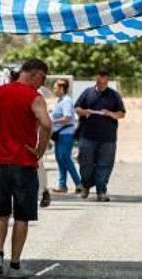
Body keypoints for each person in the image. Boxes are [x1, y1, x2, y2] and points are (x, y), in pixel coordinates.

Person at [0, 59, 52, 278]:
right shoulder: (34, 97)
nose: (41, 84)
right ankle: (15, 265)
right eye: (42, 79)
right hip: (24, 162)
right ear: (35, 74)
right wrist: (40, 150)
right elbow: (46, 124)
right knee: (22, 216)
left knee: (1, 212)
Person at [74, 71, 126, 202]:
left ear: (108, 81)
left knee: (105, 165)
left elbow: (121, 113)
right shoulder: (87, 93)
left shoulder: (114, 95)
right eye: (99, 82)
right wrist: (84, 112)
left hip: (108, 138)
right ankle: (86, 184)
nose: (102, 85)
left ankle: (101, 191)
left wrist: (110, 114)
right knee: (85, 164)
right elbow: (77, 108)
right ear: (95, 80)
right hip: (87, 136)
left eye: (104, 83)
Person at [50, 79, 82, 193]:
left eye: (56, 88)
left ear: (62, 88)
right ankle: (62, 185)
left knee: (65, 158)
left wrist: (51, 122)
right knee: (60, 159)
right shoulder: (59, 101)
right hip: (59, 135)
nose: (54, 90)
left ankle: (79, 183)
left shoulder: (66, 101)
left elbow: (67, 118)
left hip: (66, 134)